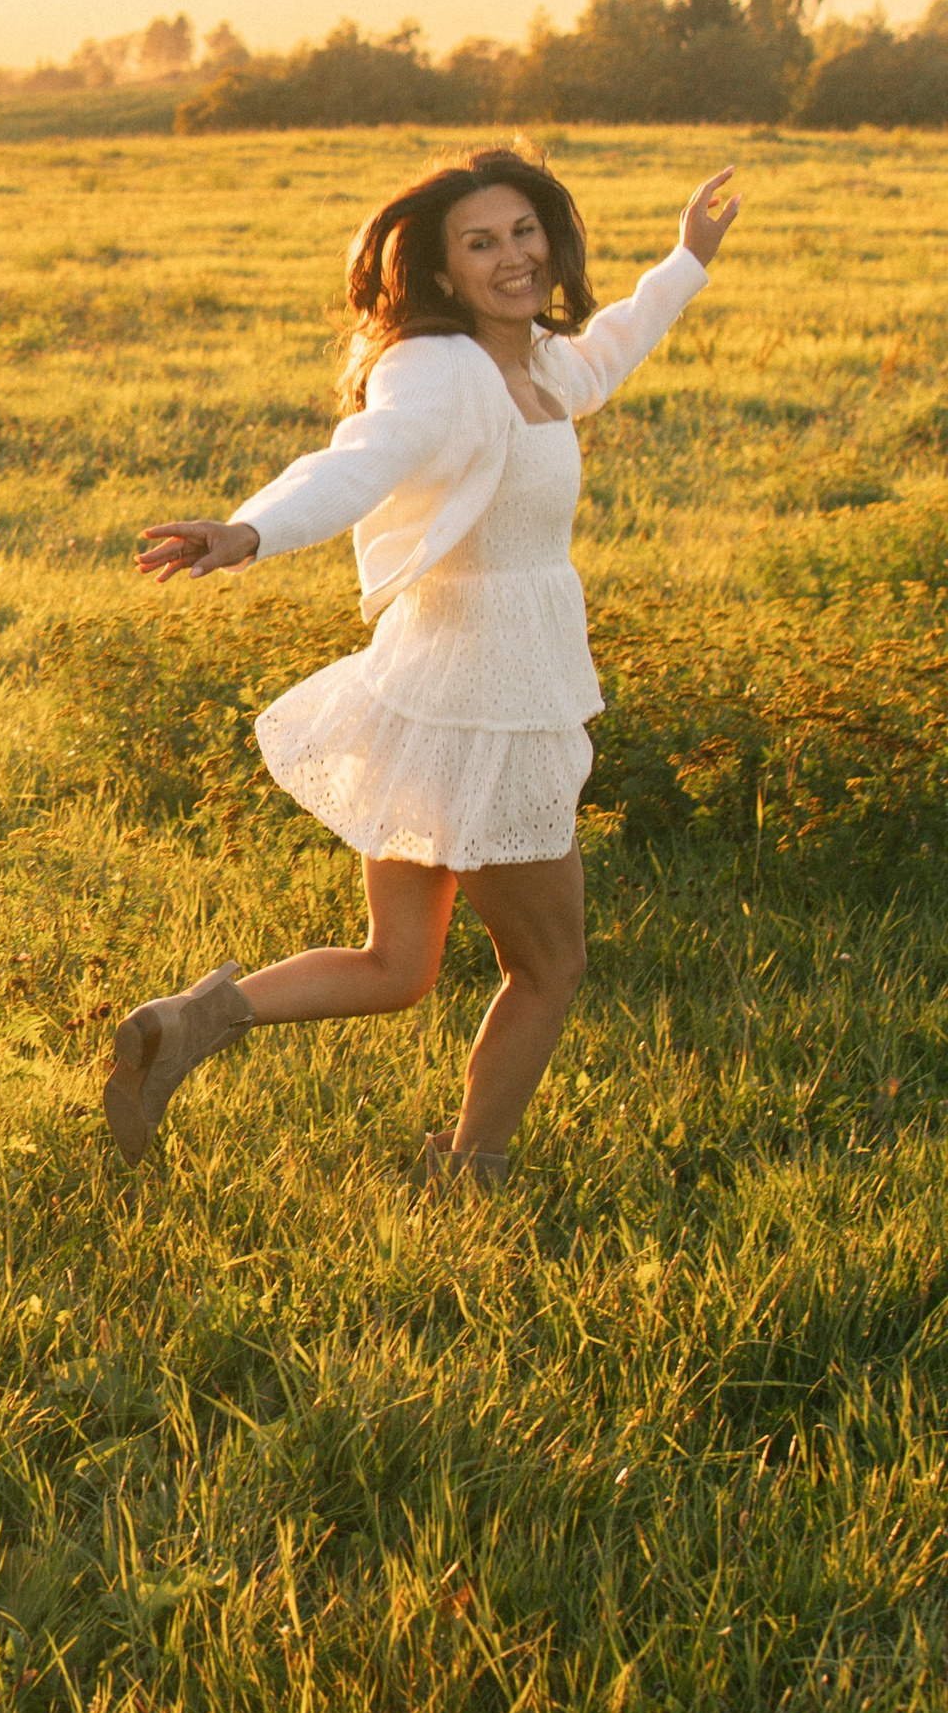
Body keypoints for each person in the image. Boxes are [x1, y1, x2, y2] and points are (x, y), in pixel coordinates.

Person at [105, 145, 739, 1189]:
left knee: (396, 968)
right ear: (439, 273)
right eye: (480, 243)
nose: (511, 257)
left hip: (436, 686)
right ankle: (472, 1171)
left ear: (550, 237)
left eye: (523, 232)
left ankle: (180, 1027)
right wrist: (250, 529)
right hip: (492, 696)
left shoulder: (538, 357)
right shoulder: (434, 369)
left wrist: (684, 261)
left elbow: (611, 348)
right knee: (549, 964)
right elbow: (357, 460)